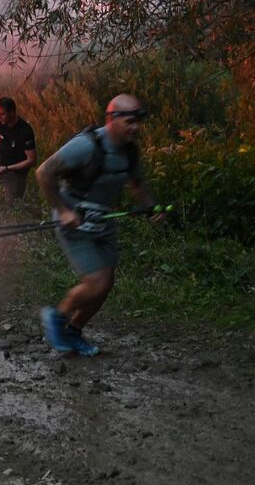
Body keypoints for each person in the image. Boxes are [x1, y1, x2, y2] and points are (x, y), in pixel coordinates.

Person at [35, 94, 164, 356]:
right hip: (74, 221)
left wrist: (152, 208)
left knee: (106, 284)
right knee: (96, 280)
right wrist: (63, 210)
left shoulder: (129, 150)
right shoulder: (86, 146)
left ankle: (73, 332)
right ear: (112, 119)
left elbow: (138, 184)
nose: (136, 127)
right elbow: (43, 172)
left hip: (103, 222)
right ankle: (56, 317)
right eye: (130, 121)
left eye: (139, 122)